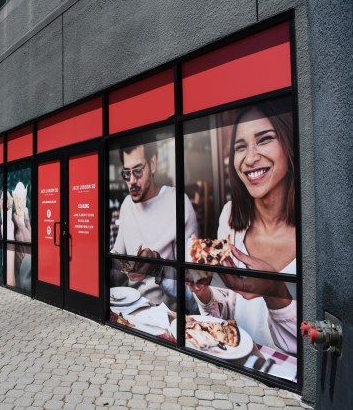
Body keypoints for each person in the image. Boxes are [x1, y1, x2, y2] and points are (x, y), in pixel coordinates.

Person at [187, 98, 297, 355]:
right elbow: (227, 311)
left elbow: (318, 349)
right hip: (239, 368)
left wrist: (275, 291)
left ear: (288, 141)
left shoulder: (313, 232)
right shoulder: (230, 218)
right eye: (240, 146)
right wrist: (204, 293)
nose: (250, 158)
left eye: (264, 139)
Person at [111, 141, 199, 310]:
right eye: (126, 173)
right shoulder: (126, 205)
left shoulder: (178, 203)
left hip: (167, 315)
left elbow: (193, 289)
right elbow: (117, 258)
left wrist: (158, 266)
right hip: (129, 309)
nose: (132, 181)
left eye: (137, 171)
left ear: (152, 164)